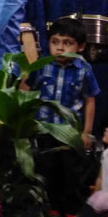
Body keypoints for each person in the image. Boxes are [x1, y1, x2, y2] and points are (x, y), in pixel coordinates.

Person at [19, 18, 100, 215]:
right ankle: (49, 210)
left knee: (71, 176)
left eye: (67, 43)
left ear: (81, 46)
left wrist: (87, 132)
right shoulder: (41, 66)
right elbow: (25, 91)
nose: (60, 48)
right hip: (43, 131)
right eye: (55, 42)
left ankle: (70, 211)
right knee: (46, 173)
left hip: (70, 134)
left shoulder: (84, 69)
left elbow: (89, 100)